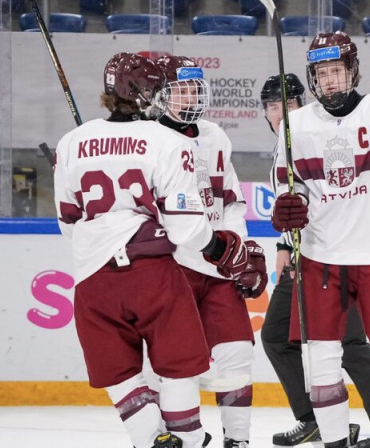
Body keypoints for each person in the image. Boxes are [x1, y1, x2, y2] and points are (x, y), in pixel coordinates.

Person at [53, 53, 251, 448]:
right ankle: (189, 439)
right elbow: (186, 226)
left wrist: (104, 235)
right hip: (153, 274)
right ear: (145, 94)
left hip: (92, 278)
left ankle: (149, 440)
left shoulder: (70, 142)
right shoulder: (166, 139)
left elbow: (68, 221)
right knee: (177, 369)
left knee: (121, 374)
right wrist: (219, 247)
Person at [270, 31, 370, 448]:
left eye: (337, 71)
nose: (330, 81)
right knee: (319, 358)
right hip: (322, 256)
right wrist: (290, 208)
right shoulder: (295, 125)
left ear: (353, 71)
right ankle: (335, 442)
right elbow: (291, 186)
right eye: (321, 74)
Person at [258, 73, 370, 448]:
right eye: (271, 105)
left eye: (286, 104)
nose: (278, 112)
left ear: (304, 105)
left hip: (335, 257)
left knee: (350, 343)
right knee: (274, 337)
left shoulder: (321, 135)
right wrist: (283, 246)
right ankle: (314, 418)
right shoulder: (281, 146)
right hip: (301, 258)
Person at [154, 55, 268, 448]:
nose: (189, 96)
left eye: (194, 88)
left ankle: (238, 441)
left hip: (217, 267)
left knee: (237, 357)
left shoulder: (215, 136)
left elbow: (231, 201)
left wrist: (239, 249)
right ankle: (182, 437)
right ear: (158, 96)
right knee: (177, 363)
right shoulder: (148, 140)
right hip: (173, 268)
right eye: (179, 89)